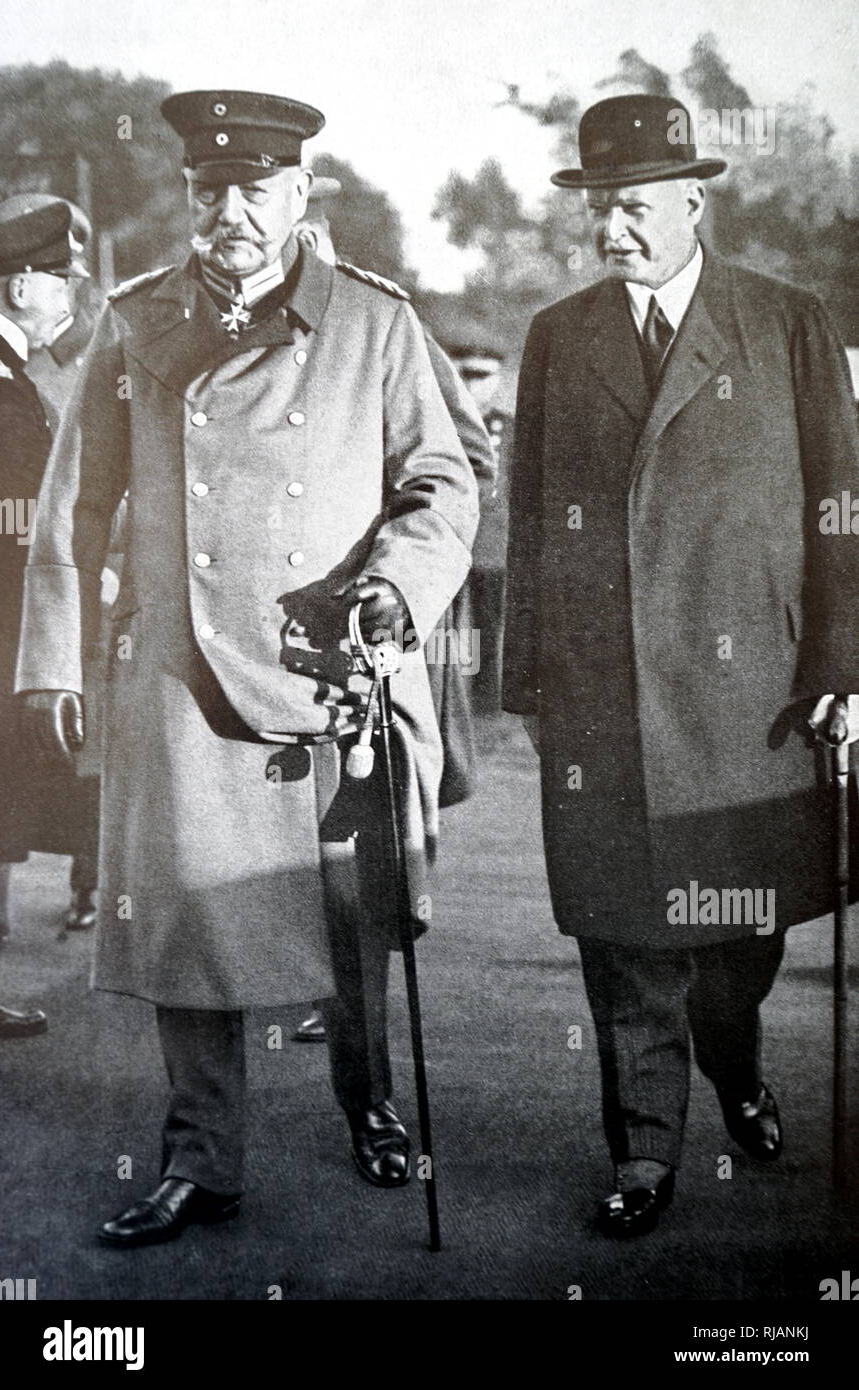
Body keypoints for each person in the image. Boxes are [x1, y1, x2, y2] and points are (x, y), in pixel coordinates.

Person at [16, 88, 478, 1246]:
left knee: (349, 911)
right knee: (184, 921)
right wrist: (52, 662)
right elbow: (74, 507)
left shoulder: (374, 325)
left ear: (300, 194)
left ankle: (368, 1103)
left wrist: (396, 590)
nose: (231, 208)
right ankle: (198, 1158)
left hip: (332, 663)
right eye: (210, 187)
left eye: (256, 186)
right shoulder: (133, 322)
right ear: (189, 195)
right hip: (180, 669)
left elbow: (444, 484)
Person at [503, 93, 859, 1237]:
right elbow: (522, 516)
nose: (611, 229)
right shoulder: (558, 337)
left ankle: (735, 1066)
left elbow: (837, 508)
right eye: (598, 208)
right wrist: (527, 677)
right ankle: (643, 1148)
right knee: (622, 936)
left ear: (691, 202)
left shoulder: (786, 321)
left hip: (749, 693)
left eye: (633, 207)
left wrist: (841, 662)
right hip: (603, 692)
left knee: (736, 940)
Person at [290, 183, 495, 1044]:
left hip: (384, 616)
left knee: (385, 822)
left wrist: (402, 570)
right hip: (277, 637)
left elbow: (464, 461)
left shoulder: (381, 325)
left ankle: (361, 991)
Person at [0, 193, 101, 935]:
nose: (76, 293)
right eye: (66, 278)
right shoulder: (4, 388)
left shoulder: (13, 379)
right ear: (23, 287)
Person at [446, 343, 511, 719]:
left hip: (493, 546)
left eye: (482, 376)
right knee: (443, 628)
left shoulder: (513, 428)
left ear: (498, 381)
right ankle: (448, 700)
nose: (472, 385)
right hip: (448, 541)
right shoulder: (439, 422)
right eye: (464, 374)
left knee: (489, 626)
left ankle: (486, 704)